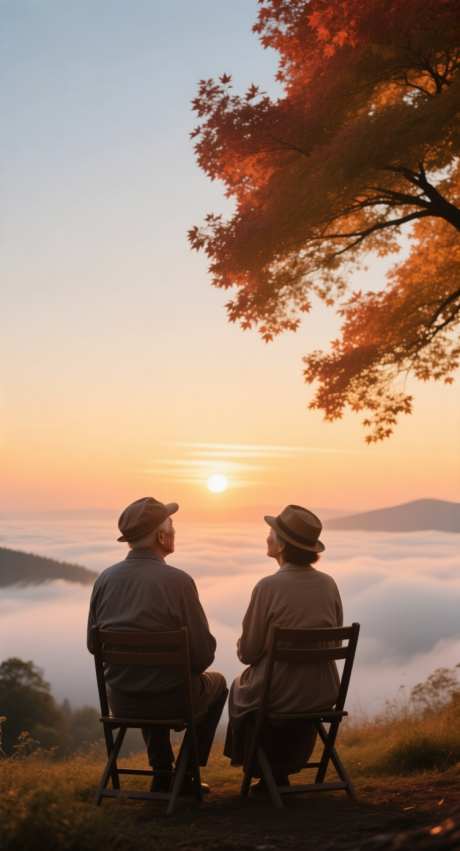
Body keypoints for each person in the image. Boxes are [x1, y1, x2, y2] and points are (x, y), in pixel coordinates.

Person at [87, 496, 227, 793]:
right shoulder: (179, 582)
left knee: (148, 677)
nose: (175, 531)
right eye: (172, 526)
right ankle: (186, 774)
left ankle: (162, 772)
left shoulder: (104, 580)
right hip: (172, 700)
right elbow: (202, 657)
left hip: (122, 700)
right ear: (162, 536)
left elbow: (92, 645)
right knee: (217, 684)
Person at [224, 504, 343, 794]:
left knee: (240, 689)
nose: (267, 537)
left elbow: (249, 652)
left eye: (271, 532)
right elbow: (336, 643)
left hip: (278, 693)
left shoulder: (268, 587)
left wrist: (244, 648)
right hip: (322, 691)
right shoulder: (329, 584)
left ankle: (265, 770)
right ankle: (280, 769)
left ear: (282, 545)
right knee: (273, 692)